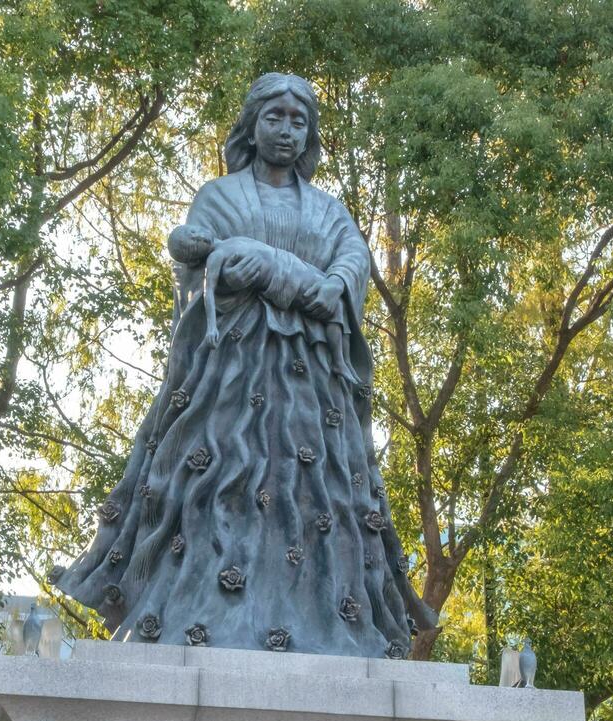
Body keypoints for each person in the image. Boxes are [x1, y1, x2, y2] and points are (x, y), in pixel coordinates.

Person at [55, 73, 436, 658]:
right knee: (216, 488)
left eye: (298, 120)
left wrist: (300, 278)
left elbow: (348, 271)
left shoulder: (331, 212)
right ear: (252, 127)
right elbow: (203, 270)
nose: (286, 130)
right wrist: (275, 277)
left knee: (317, 497)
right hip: (230, 378)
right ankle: (199, 613)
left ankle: (328, 622)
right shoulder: (219, 197)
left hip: (312, 390)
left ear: (309, 134)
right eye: (275, 117)